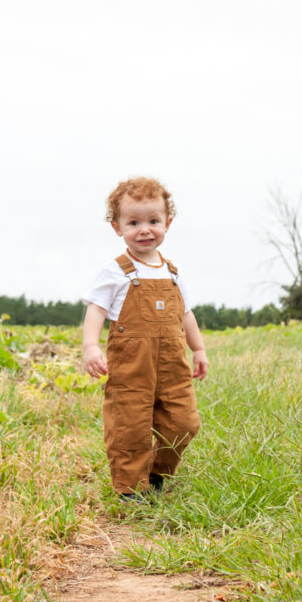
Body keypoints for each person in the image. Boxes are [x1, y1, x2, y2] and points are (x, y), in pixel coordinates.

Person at [82, 177, 208, 501]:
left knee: (184, 422)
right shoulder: (116, 271)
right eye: (133, 222)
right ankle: (129, 490)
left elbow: (186, 314)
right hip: (131, 368)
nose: (145, 230)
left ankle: (156, 473)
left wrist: (199, 349)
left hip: (172, 366)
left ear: (168, 222)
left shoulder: (173, 273)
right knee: (130, 428)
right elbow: (96, 309)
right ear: (117, 227)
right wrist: (91, 346)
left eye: (153, 221)